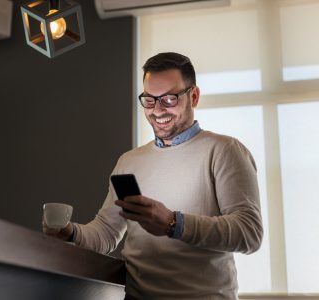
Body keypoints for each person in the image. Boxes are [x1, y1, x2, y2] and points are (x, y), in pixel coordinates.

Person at [43, 52, 263, 300]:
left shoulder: (224, 150)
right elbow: (106, 232)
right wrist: (71, 233)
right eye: (149, 100)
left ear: (194, 96)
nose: (158, 110)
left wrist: (172, 223)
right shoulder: (129, 161)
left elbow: (250, 233)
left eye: (169, 99)